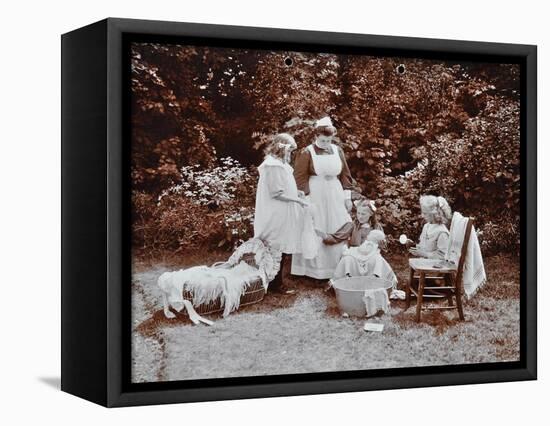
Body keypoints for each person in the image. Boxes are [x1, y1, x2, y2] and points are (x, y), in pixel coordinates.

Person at [291, 116, 362, 280]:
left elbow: (345, 174)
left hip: (335, 192)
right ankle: (313, 270)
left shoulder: (338, 150)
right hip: (315, 193)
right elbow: (300, 177)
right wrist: (306, 198)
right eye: (322, 140)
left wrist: (347, 197)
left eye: (328, 140)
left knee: (338, 224)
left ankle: (337, 267)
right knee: (317, 225)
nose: (326, 144)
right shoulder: (306, 152)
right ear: (316, 137)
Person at [253, 133, 311, 291]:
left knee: (283, 243)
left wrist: (296, 192)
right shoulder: (272, 165)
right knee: (276, 244)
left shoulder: (280, 164)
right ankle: (274, 282)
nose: (290, 154)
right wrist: (297, 200)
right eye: (290, 150)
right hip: (276, 211)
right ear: (282, 148)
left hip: (283, 209)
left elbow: (284, 185)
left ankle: (276, 280)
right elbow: (275, 193)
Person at [317, 198, 384, 248]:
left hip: (370, 256)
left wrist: (378, 242)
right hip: (355, 256)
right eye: (358, 213)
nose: (360, 216)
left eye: (363, 214)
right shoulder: (352, 225)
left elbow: (382, 245)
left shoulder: (376, 227)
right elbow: (336, 238)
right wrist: (324, 235)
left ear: (371, 214)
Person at [409, 195, 453, 260]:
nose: (422, 216)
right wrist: (414, 246)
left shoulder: (442, 232)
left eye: (425, 213)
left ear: (434, 214)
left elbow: (443, 256)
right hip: (424, 263)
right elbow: (425, 247)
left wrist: (424, 254)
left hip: (435, 267)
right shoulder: (426, 226)